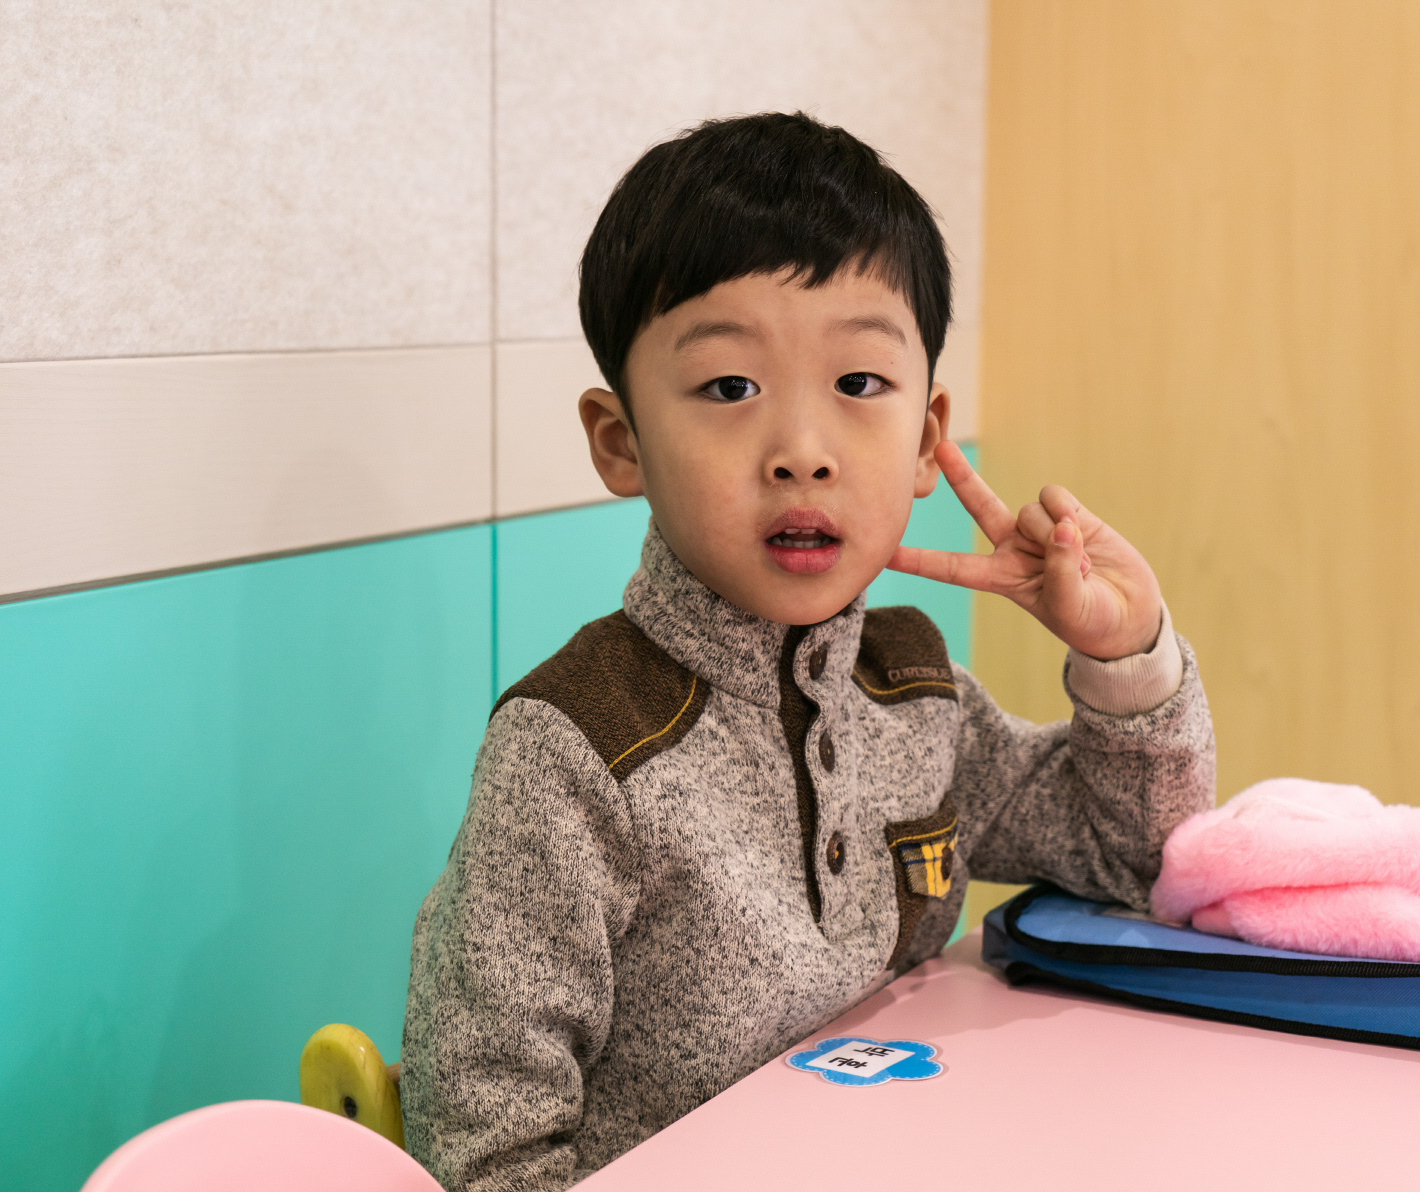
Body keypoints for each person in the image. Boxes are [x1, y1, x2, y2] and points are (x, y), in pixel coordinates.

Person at [401, 111, 1216, 1189]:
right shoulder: (576, 748)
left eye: (858, 384)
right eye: (729, 387)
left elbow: (1130, 857)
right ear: (620, 442)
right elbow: (486, 1152)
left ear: (925, 439)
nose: (801, 452)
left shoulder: (910, 687)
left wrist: (1126, 656)